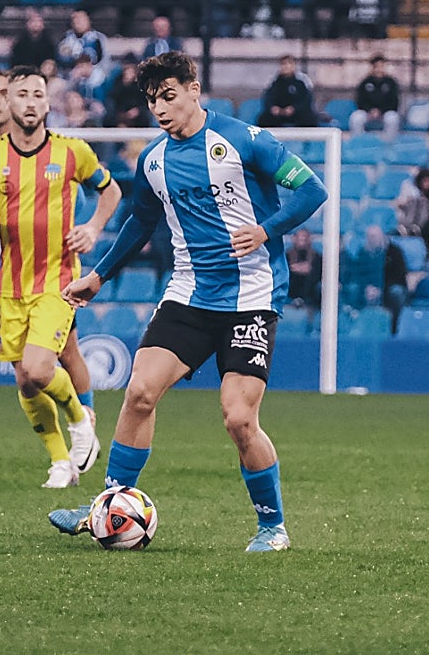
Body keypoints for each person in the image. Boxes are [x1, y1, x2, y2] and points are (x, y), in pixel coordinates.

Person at [48, 51, 327, 552]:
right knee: (139, 394)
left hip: (251, 298)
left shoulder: (244, 140)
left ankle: (272, 526)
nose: (160, 108)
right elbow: (140, 221)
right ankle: (108, 506)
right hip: (188, 295)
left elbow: (311, 190)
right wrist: (99, 275)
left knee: (239, 419)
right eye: (153, 100)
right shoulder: (152, 159)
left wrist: (266, 230)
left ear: (195, 89)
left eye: (170, 96)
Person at [0, 65, 118, 487]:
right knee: (26, 380)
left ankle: (81, 420)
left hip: (57, 278)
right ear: (6, 104)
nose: (28, 103)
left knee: (40, 368)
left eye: (38, 95)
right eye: (21, 95)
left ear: (48, 102)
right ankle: (59, 462)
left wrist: (93, 228)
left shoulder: (73, 151)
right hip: (8, 282)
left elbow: (111, 189)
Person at [257, 54, 318, 128]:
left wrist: (294, 108)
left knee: (310, 118)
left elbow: (307, 99)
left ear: (294, 66)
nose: (286, 66)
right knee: (264, 119)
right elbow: (268, 97)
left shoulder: (302, 80)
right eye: (283, 64)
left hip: (297, 112)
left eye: (289, 63)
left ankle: (306, 139)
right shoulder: (274, 81)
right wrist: (272, 107)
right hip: (279, 113)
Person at [349, 53, 400, 138]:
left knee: (392, 118)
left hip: (385, 113)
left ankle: (389, 144)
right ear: (372, 67)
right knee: (356, 117)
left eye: (381, 66)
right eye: (376, 67)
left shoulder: (391, 82)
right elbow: (360, 100)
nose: (378, 69)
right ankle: (358, 143)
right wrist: (370, 110)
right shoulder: (365, 82)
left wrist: (381, 111)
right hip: (368, 113)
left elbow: (394, 101)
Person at [285, 228, 321, 310]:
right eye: (300, 237)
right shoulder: (286, 256)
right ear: (294, 238)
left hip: (311, 294)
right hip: (291, 292)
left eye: (305, 237)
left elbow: (318, 273)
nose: (302, 240)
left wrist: (307, 269)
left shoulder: (316, 257)